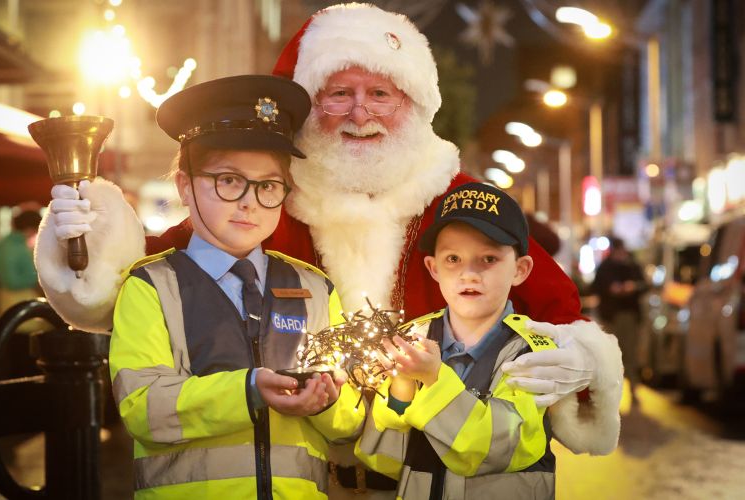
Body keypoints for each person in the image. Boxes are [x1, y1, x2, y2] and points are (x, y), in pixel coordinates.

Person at [35, 2, 623, 488]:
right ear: (308, 107)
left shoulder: (457, 201)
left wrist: (573, 357)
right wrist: (85, 238)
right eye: (338, 93)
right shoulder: (268, 205)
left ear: (413, 105)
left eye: (381, 94)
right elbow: (148, 275)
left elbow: (545, 298)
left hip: (436, 476)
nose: (360, 114)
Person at [109, 75, 364, 499]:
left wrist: (328, 401)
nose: (249, 201)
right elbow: (143, 408)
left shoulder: (316, 288)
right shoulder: (150, 286)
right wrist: (248, 390)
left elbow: (349, 423)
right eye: (229, 180)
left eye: (267, 186)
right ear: (185, 186)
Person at [356, 182, 567, 498]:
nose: (468, 274)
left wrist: (433, 379)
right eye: (453, 259)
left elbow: (500, 450)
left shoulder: (535, 351)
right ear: (433, 267)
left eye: (488, 259)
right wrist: (400, 392)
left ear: (520, 270)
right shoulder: (413, 338)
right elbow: (382, 458)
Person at [591, 236, 646, 406]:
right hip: (610, 316)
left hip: (628, 315)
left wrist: (633, 287)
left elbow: (644, 285)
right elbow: (596, 287)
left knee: (629, 354)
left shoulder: (632, 266)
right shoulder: (606, 267)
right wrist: (611, 289)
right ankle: (610, 395)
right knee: (610, 356)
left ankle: (633, 390)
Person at [0, 206, 42, 314]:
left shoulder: (3, 243)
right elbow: (13, 281)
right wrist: (37, 278)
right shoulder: (19, 248)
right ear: (30, 228)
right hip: (20, 300)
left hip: (4, 299)